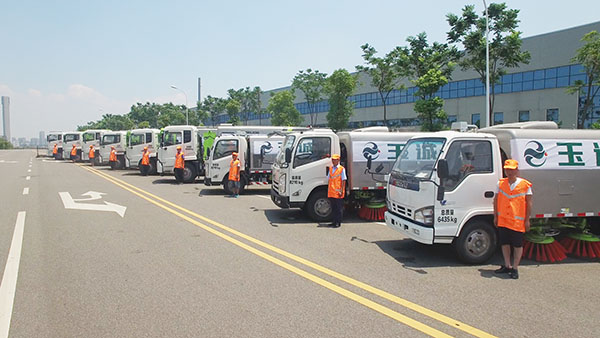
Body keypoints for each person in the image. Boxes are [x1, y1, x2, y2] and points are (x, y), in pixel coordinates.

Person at [493, 159, 533, 280]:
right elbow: (495, 200)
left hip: (517, 221)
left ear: (516, 170)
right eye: (507, 170)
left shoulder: (525, 185)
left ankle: (515, 268)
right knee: (504, 243)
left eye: (511, 170)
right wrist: (496, 216)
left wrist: (527, 220)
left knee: (517, 245)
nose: (509, 172)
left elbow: (529, 203)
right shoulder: (500, 183)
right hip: (503, 219)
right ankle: (507, 265)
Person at [328, 154, 347, 228]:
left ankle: (338, 222)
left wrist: (342, 190)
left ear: (338, 160)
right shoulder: (330, 168)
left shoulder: (341, 169)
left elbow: (343, 180)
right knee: (333, 208)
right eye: (332, 160)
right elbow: (329, 179)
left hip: (338, 192)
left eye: (335, 160)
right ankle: (333, 221)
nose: (333, 161)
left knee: (338, 208)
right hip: (331, 192)